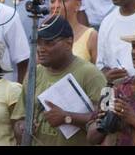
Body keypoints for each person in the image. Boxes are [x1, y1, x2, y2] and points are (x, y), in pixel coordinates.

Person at [30, 13, 107, 147]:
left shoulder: (90, 74)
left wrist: (67, 117)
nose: (41, 49)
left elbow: (105, 120)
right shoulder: (34, 74)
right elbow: (19, 118)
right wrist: (23, 127)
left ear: (68, 42)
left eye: (49, 43)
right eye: (39, 43)